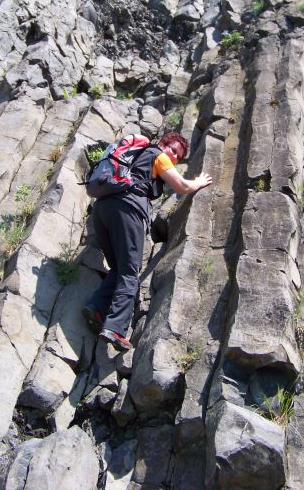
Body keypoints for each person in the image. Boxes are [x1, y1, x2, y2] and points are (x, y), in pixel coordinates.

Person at [82, 132, 213, 351]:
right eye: (173, 150)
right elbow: (182, 186)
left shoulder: (135, 157)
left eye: (178, 158)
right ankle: (115, 328)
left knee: (118, 268)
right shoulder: (157, 155)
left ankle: (96, 308)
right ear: (162, 144)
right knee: (130, 271)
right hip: (127, 209)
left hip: (103, 210)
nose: (173, 158)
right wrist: (198, 181)